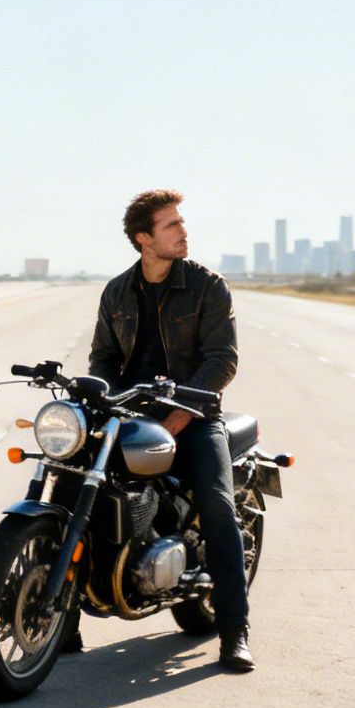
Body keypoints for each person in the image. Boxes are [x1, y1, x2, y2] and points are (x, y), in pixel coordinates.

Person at [87, 189, 254, 672]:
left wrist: (180, 414)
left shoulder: (207, 286)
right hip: (133, 414)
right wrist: (105, 400)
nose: (183, 232)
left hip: (197, 416)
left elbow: (222, 360)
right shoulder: (117, 292)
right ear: (144, 239)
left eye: (181, 223)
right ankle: (63, 618)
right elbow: (103, 356)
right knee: (79, 479)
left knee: (219, 507)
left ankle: (235, 629)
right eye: (171, 225)